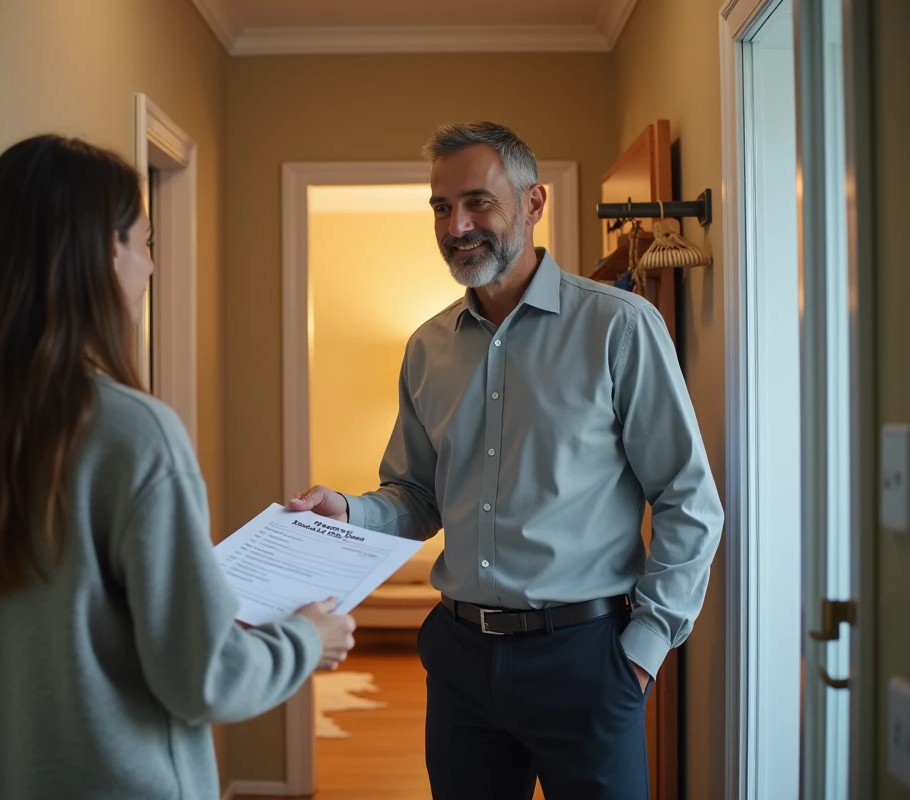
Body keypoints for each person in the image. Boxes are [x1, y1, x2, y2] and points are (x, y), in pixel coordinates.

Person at [0, 134, 355, 800]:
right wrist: (308, 637)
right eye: (145, 242)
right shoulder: (134, 434)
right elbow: (205, 679)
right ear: (105, 252)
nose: (151, 268)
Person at [290, 121, 723, 799]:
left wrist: (642, 653)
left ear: (533, 203)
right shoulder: (426, 348)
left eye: (478, 202)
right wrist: (347, 510)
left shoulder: (619, 327)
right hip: (460, 663)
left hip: (587, 659)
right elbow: (414, 496)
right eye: (440, 207)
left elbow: (688, 501)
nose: (456, 225)